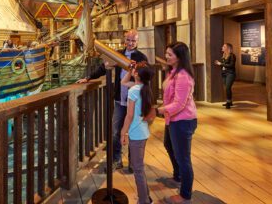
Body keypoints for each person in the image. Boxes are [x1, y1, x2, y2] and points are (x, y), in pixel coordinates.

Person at [77, 29, 148, 172]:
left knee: (133, 132)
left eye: (133, 40)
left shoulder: (141, 57)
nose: (130, 43)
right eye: (128, 40)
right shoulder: (118, 55)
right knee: (115, 131)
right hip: (119, 99)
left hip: (134, 101)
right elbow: (103, 68)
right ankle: (117, 160)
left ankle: (134, 162)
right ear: (124, 40)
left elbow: (147, 77)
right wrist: (88, 78)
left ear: (137, 41)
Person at [157, 42, 197, 204]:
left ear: (179, 58)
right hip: (173, 119)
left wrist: (159, 110)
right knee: (168, 144)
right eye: (166, 53)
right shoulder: (173, 71)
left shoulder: (183, 77)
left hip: (183, 121)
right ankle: (178, 176)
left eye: (170, 55)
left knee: (183, 157)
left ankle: (185, 194)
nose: (166, 56)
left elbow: (179, 104)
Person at [121, 62, 155, 204]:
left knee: (138, 169)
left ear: (137, 74)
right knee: (139, 167)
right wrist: (131, 70)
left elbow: (129, 116)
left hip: (136, 133)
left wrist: (123, 133)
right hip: (143, 132)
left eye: (134, 70)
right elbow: (123, 82)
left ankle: (144, 201)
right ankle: (146, 197)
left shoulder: (134, 90)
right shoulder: (143, 88)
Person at [214, 43, 236, 109]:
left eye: (224, 46)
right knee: (227, 88)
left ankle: (228, 102)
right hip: (224, 74)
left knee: (227, 88)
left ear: (228, 48)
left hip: (230, 74)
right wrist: (220, 64)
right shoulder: (224, 55)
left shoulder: (232, 56)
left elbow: (231, 65)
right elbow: (224, 65)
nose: (222, 47)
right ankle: (230, 101)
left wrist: (220, 63)